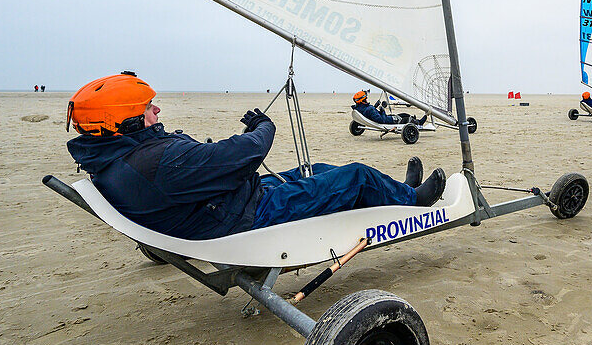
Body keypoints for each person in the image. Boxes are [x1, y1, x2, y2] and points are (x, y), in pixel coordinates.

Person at [65, 72, 446, 241]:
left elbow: (214, 163)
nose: (156, 113)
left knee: (318, 170)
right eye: (149, 109)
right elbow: (244, 155)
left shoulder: (111, 162)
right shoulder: (159, 160)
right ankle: (414, 201)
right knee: (356, 176)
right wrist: (263, 126)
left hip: (216, 207)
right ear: (124, 121)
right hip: (244, 217)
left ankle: (397, 191)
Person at [351, 91, 426, 126]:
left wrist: (375, 107)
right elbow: (381, 120)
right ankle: (419, 122)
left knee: (403, 114)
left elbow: (369, 113)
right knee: (405, 117)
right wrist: (382, 110)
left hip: (386, 118)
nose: (367, 99)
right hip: (389, 121)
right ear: (363, 100)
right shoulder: (369, 108)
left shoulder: (359, 109)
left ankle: (414, 118)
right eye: (366, 99)